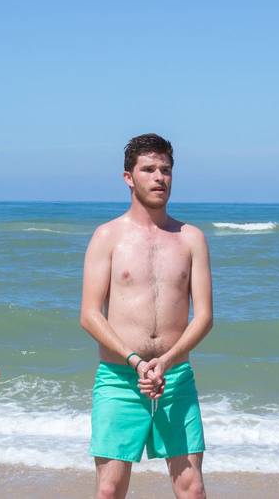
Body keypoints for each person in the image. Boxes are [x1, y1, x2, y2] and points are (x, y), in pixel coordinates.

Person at [80, 133, 213, 499]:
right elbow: (90, 315)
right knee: (109, 490)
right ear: (128, 177)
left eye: (165, 170)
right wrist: (136, 362)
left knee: (192, 488)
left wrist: (165, 362)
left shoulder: (191, 238)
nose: (159, 178)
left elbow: (204, 316)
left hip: (175, 378)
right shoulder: (107, 236)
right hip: (119, 379)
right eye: (149, 169)